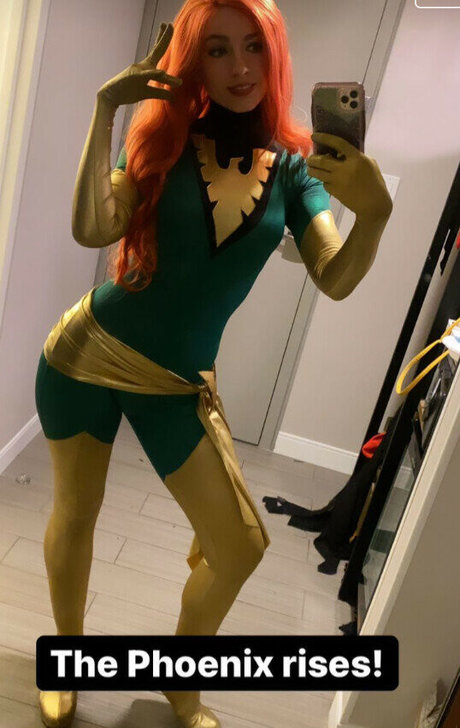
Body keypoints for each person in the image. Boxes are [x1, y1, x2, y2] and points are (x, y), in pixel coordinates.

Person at [35, 1, 393, 726]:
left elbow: (335, 276)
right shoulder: (162, 140)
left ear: (275, 55)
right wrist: (104, 110)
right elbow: (91, 229)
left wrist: (377, 212)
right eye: (218, 49)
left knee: (238, 547)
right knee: (75, 512)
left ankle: (180, 680)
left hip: (176, 383)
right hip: (85, 352)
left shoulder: (296, 171)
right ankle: (64, 657)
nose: (239, 67)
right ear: (195, 59)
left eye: (253, 46)